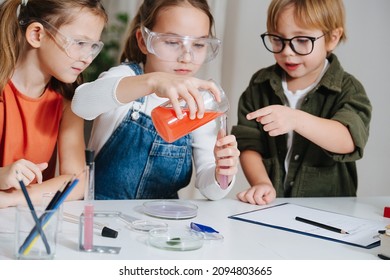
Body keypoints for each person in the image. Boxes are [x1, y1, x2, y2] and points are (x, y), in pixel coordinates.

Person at [71, 0, 240, 200]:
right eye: (172, 42)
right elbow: (81, 103)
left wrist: (222, 173)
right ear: (144, 41)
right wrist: (152, 81)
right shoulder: (125, 77)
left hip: (161, 222)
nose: (187, 57)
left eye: (199, 44)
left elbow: (210, 188)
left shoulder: (198, 102)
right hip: (104, 217)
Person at [231, 0, 372, 205]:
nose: (287, 51)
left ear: (332, 38)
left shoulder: (348, 88)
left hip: (330, 211)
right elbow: (249, 144)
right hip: (274, 205)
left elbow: (349, 139)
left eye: (302, 40)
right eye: (278, 39)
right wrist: (262, 183)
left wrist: (296, 119)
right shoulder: (260, 84)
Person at [0, 0, 108, 208]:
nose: (87, 58)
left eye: (93, 46)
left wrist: (11, 199)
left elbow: (76, 181)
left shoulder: (68, 101)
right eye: (79, 43)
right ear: (37, 34)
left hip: (26, 219)